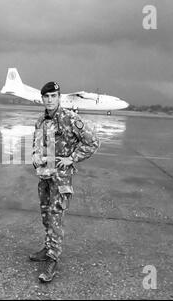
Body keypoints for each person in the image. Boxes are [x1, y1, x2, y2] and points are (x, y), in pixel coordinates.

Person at [31, 81, 100, 282]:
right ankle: (47, 248)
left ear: (59, 97)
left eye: (54, 96)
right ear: (42, 99)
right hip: (44, 176)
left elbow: (92, 142)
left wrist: (72, 158)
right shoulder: (40, 121)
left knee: (55, 218)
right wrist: (35, 155)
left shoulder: (70, 119)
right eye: (47, 97)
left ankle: (52, 259)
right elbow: (36, 143)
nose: (50, 100)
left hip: (61, 178)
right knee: (46, 216)